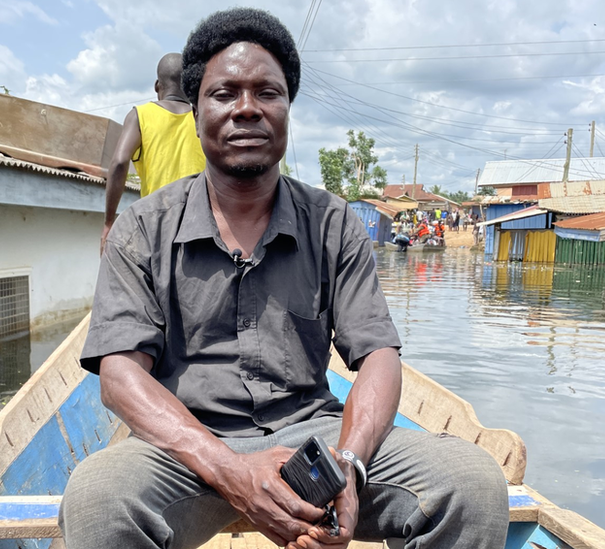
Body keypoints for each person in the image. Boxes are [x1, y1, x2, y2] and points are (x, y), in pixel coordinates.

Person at [60, 8, 507, 549]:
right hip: (185, 450)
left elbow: (379, 356)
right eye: (225, 94)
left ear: (287, 108)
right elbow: (120, 377)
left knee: (472, 485)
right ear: (196, 109)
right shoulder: (141, 228)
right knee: (97, 500)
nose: (246, 108)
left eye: (266, 93)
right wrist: (230, 469)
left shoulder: (332, 222)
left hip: (314, 442)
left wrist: (349, 466)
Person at [101, 52, 207, 252]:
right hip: (199, 225)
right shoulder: (201, 119)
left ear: (157, 86)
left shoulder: (140, 116)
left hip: (156, 225)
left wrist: (108, 223)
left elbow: (120, 162)